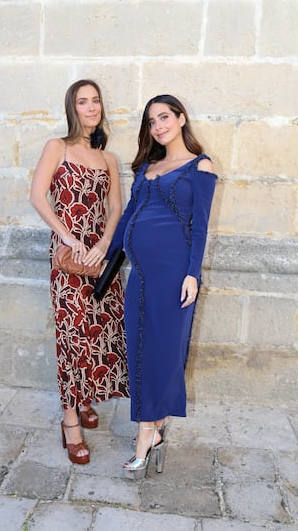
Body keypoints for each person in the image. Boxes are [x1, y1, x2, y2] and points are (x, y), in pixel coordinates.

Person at [106, 94, 217, 479]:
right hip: (141, 275)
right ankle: (153, 430)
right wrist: (102, 256)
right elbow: (128, 220)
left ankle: (145, 435)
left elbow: (200, 225)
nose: (158, 126)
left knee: (162, 353)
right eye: (152, 122)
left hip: (174, 277)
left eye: (164, 117)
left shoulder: (200, 167)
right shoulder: (147, 167)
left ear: (181, 118)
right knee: (139, 350)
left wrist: (193, 274)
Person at [30, 79, 129, 465]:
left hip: (100, 259)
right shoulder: (58, 147)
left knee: (98, 330)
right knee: (71, 337)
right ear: (72, 108)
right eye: (83, 102)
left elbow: (116, 208)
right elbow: (38, 197)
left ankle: (85, 398)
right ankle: (70, 420)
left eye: (96, 101)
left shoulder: (108, 158)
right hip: (70, 258)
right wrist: (70, 239)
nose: (91, 108)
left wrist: (103, 244)